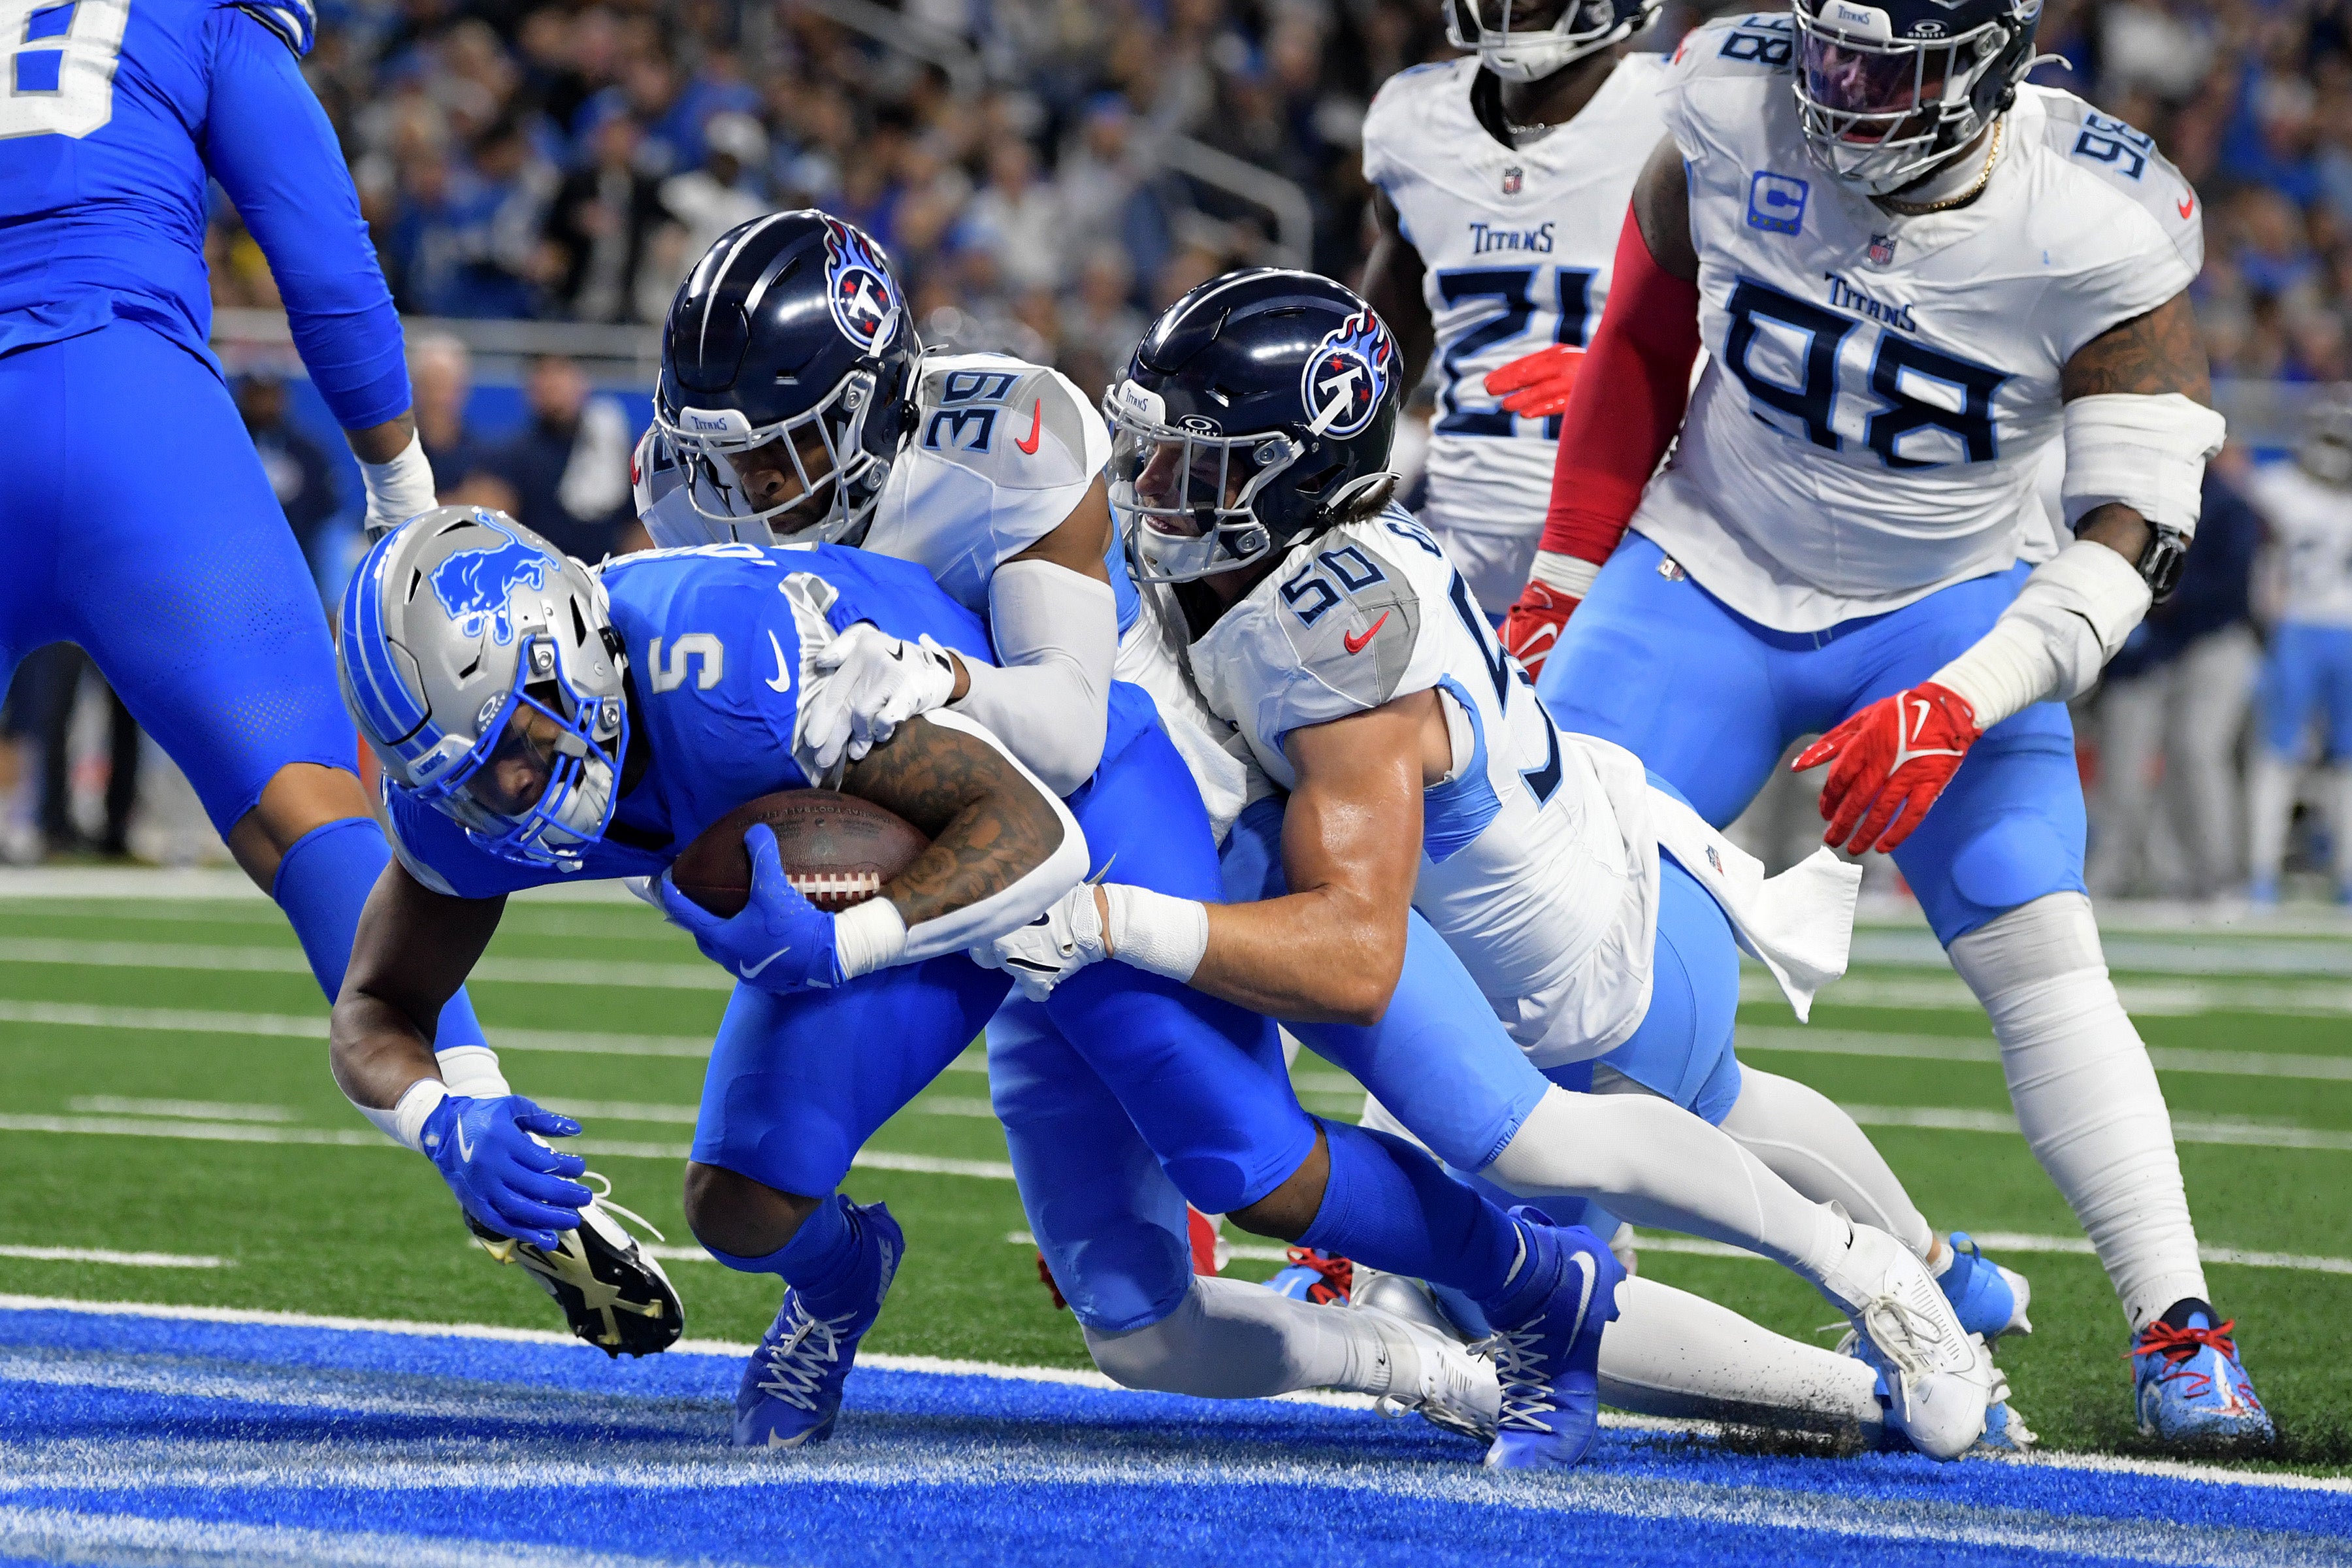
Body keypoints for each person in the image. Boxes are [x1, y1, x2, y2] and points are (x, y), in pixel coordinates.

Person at [335, 505, 1629, 1466]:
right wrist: (440, 1120)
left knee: (1254, 1171)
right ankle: (842, 1280)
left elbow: (1033, 841)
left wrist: (841, 945)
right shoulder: (463, 797)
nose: (495, 801)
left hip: (1067, 803)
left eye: (511, 751)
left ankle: (1536, 1293)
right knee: (738, 1202)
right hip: (879, 860)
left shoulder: (730, 670)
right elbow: (377, 1008)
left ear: (573, 651)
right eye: (451, 777)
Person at [983, 269, 2011, 1461]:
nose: (1152, 492)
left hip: (1582, 967)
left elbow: (1353, 952)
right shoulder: (1252, 563)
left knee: (1540, 1149)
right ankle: (1861, 1397)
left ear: (1298, 475)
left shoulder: (1331, 628)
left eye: (1196, 469)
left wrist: (1121, 925)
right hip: (1480, 938)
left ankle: (1890, 1282)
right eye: (1150, 453)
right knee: (1501, 1278)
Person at [1498, 0, 2270, 1443]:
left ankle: (2179, 1327)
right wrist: (1562, 573)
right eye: (1827, 51)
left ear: (1989, 63)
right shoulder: (1733, 95)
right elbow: (1645, 337)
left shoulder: (2100, 211)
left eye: (1885, 67)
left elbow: (2137, 530)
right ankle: (1816, 1267)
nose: (1839, 93)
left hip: (1949, 601)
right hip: (1702, 577)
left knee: (2036, 944)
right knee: (1533, 940)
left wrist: (1960, 698)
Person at [0, 0, 523, 1186]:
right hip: (135, 400)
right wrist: (402, 494)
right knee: (305, 802)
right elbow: (325, 259)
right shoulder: (199, 20)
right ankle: (471, 1113)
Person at [1358, 0, 1670, 621]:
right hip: (1457, 541)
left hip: (1641, 547)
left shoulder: (1683, 111)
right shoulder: (1414, 122)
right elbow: (1385, 344)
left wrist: (1632, 382)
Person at [2088, 455, 2262, 902]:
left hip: (2211, 640)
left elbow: (2233, 588)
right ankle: (2116, 869)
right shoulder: (2129, 500)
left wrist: (2171, 597)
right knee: (2124, 760)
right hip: (2142, 643)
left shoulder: (2227, 505)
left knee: (2198, 752)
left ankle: (2215, 876)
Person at [2246, 403, 2352, 905]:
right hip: (2296, 630)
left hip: (2333, 632)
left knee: (2341, 763)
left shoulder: (2277, 488)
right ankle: (2261, 873)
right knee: (2277, 755)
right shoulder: (2277, 489)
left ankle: (2342, 874)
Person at [478, 354, 641, 561]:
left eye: (561, 373)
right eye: (543, 375)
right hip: (540, 573)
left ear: (582, 383)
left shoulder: (613, 445)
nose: (553, 385)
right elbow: (495, 520)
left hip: (606, 574)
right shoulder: (514, 454)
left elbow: (640, 522)